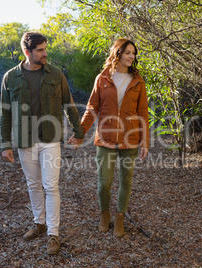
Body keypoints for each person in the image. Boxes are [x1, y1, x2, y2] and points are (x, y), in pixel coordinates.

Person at [0, 31, 84, 254]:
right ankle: (39, 223)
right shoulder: (10, 77)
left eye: (46, 49)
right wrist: (5, 144)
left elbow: (69, 103)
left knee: (51, 186)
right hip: (24, 140)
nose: (45, 53)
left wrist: (79, 130)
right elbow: (4, 113)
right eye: (40, 50)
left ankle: (53, 234)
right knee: (33, 185)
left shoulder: (56, 75)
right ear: (27, 52)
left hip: (50, 139)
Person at [69, 38, 149, 237]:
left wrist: (144, 141)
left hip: (129, 138)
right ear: (118, 53)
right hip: (105, 138)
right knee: (104, 183)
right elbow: (92, 108)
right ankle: (104, 214)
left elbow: (143, 113)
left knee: (126, 181)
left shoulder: (138, 80)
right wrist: (80, 133)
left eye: (133, 53)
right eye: (128, 52)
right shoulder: (102, 78)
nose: (132, 57)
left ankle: (120, 217)